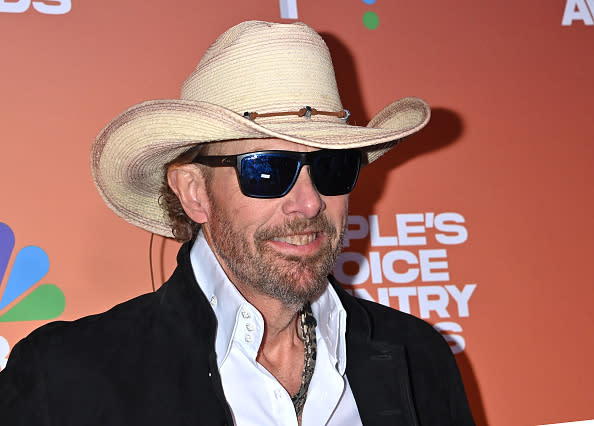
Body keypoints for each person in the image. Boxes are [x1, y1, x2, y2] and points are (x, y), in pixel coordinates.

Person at [0, 21, 474, 425]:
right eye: (266, 169)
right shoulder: (63, 379)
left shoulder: (418, 357)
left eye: (331, 168)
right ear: (194, 192)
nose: (308, 204)